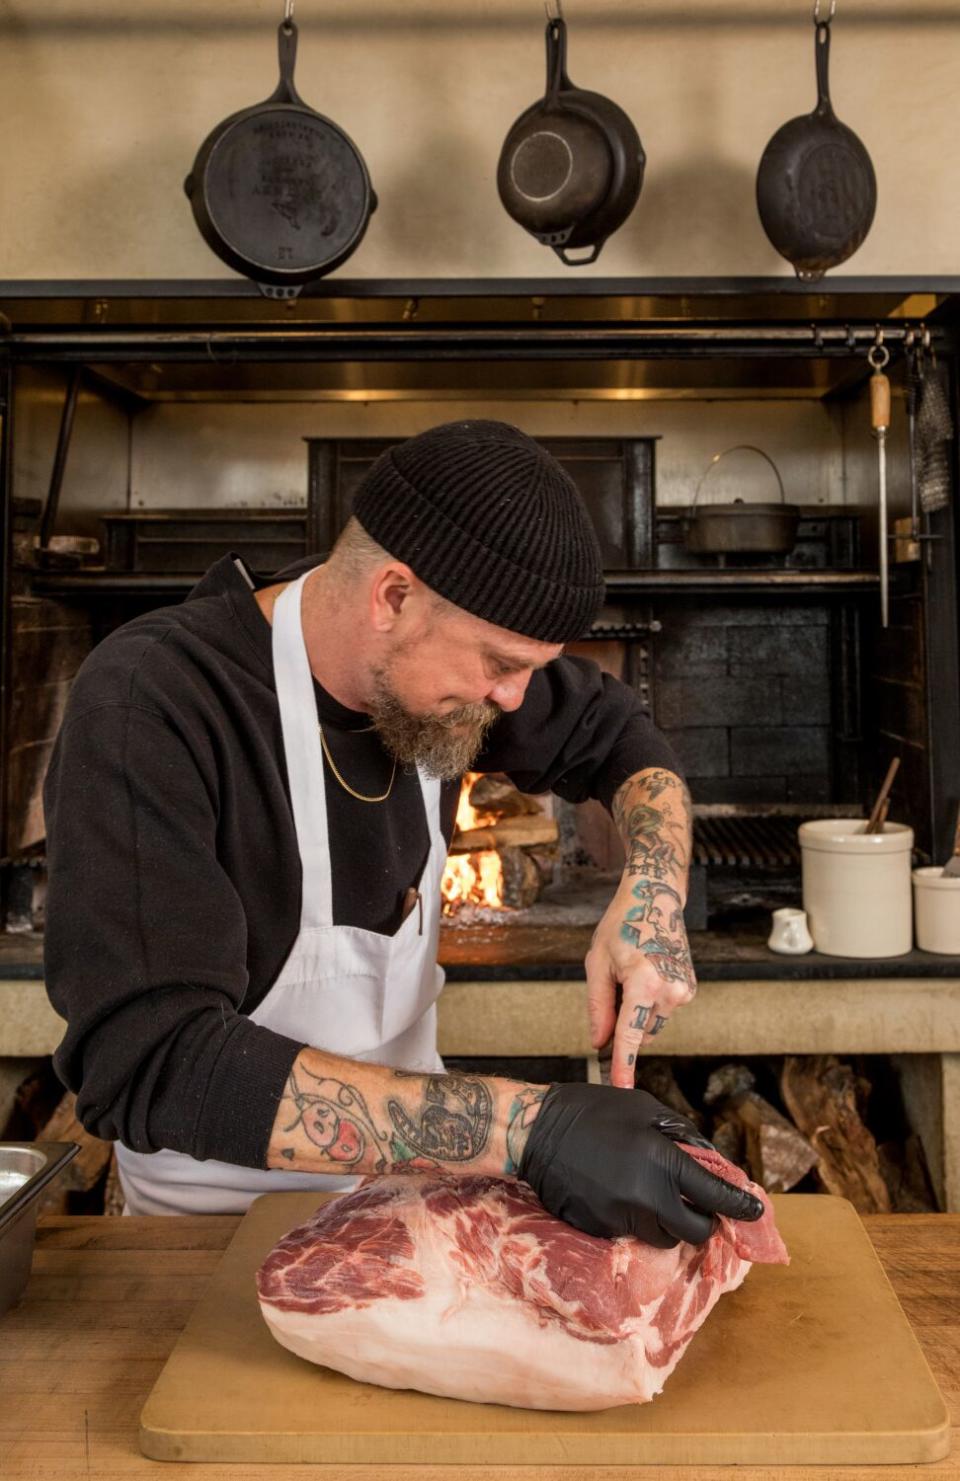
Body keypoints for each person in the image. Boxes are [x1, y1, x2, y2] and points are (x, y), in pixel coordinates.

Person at [43, 420, 763, 1241]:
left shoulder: (442, 680)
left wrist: (655, 888)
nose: (519, 700)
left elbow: (621, 737)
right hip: (208, 1240)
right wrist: (528, 1128)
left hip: (414, 1214)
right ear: (393, 595)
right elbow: (152, 1061)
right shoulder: (154, 702)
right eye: (499, 665)